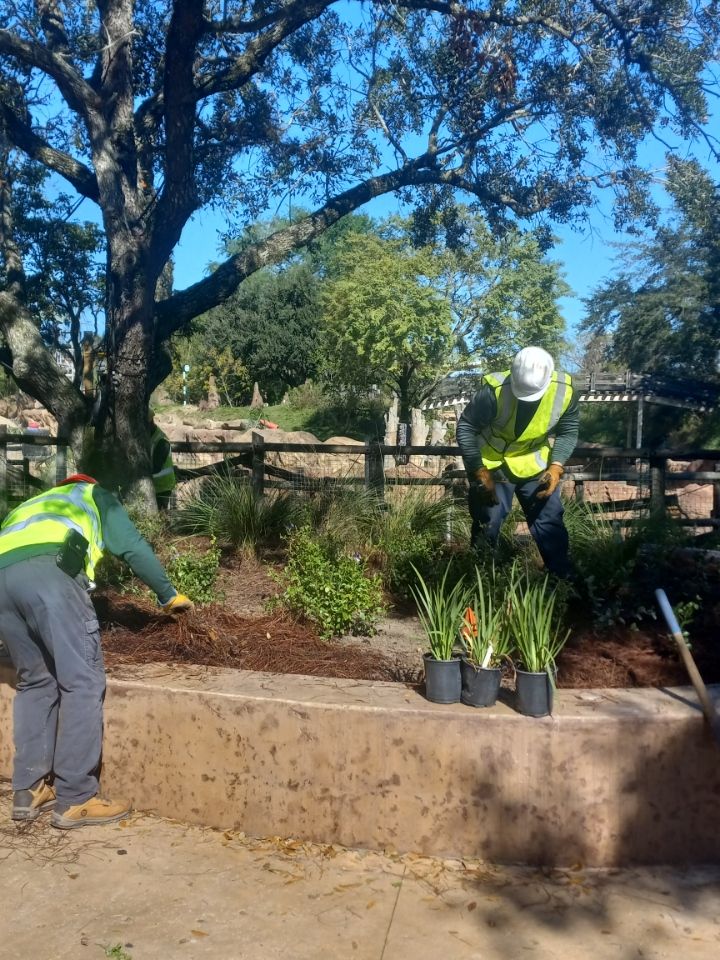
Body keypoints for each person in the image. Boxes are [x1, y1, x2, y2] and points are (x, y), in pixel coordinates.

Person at [0, 470, 193, 829]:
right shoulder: (94, 495)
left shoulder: (32, 505)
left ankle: (28, 789)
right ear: (88, 482)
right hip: (52, 576)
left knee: (35, 682)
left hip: (2, 583)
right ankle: (76, 797)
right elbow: (134, 548)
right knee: (82, 682)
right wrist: (169, 596)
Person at [456, 346, 579, 577]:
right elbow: (466, 427)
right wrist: (478, 470)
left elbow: (568, 431)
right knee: (488, 521)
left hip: (534, 462)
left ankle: (562, 580)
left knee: (549, 520)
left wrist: (556, 466)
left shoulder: (564, 390)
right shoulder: (493, 391)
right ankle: (480, 578)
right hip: (493, 463)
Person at [149, 414, 176, 510]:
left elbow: (156, 467)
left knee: (162, 515)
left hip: (163, 488)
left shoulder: (161, 441)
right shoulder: (150, 437)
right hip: (155, 486)